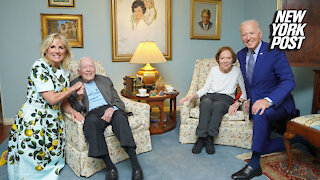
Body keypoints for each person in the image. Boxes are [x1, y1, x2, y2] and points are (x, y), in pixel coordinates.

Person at [7, 33, 84, 180]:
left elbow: (63, 101)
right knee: (31, 159)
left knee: (50, 157)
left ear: (66, 51)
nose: (57, 51)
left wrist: (73, 111)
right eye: (52, 47)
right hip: (35, 119)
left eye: (61, 47)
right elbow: (51, 99)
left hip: (53, 119)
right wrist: (72, 89)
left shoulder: (64, 70)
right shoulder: (39, 66)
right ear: (45, 50)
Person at [231, 19, 297, 180]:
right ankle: (299, 139)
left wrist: (268, 100)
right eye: (244, 34)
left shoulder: (274, 51)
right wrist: (245, 101)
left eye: (251, 33)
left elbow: (289, 81)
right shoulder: (240, 54)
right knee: (264, 145)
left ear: (260, 34)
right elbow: (248, 84)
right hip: (255, 104)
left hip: (278, 103)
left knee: (261, 113)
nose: (248, 37)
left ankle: (254, 165)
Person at [68, 57, 143, 180]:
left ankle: (136, 167)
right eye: (84, 67)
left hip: (110, 108)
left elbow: (118, 101)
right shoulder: (73, 85)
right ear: (79, 71)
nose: (88, 70)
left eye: (90, 66)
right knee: (90, 122)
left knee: (120, 118)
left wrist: (112, 108)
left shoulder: (105, 80)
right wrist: (79, 98)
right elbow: (77, 110)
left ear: (95, 68)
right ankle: (110, 167)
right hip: (92, 113)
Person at [179, 46, 247, 155]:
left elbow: (244, 91)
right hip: (210, 96)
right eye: (222, 58)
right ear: (218, 59)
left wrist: (237, 104)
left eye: (228, 58)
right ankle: (201, 138)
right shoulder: (214, 70)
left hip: (226, 98)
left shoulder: (237, 71)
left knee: (218, 106)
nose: (225, 61)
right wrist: (191, 97)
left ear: (233, 59)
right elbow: (205, 88)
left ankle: (210, 138)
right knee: (205, 103)